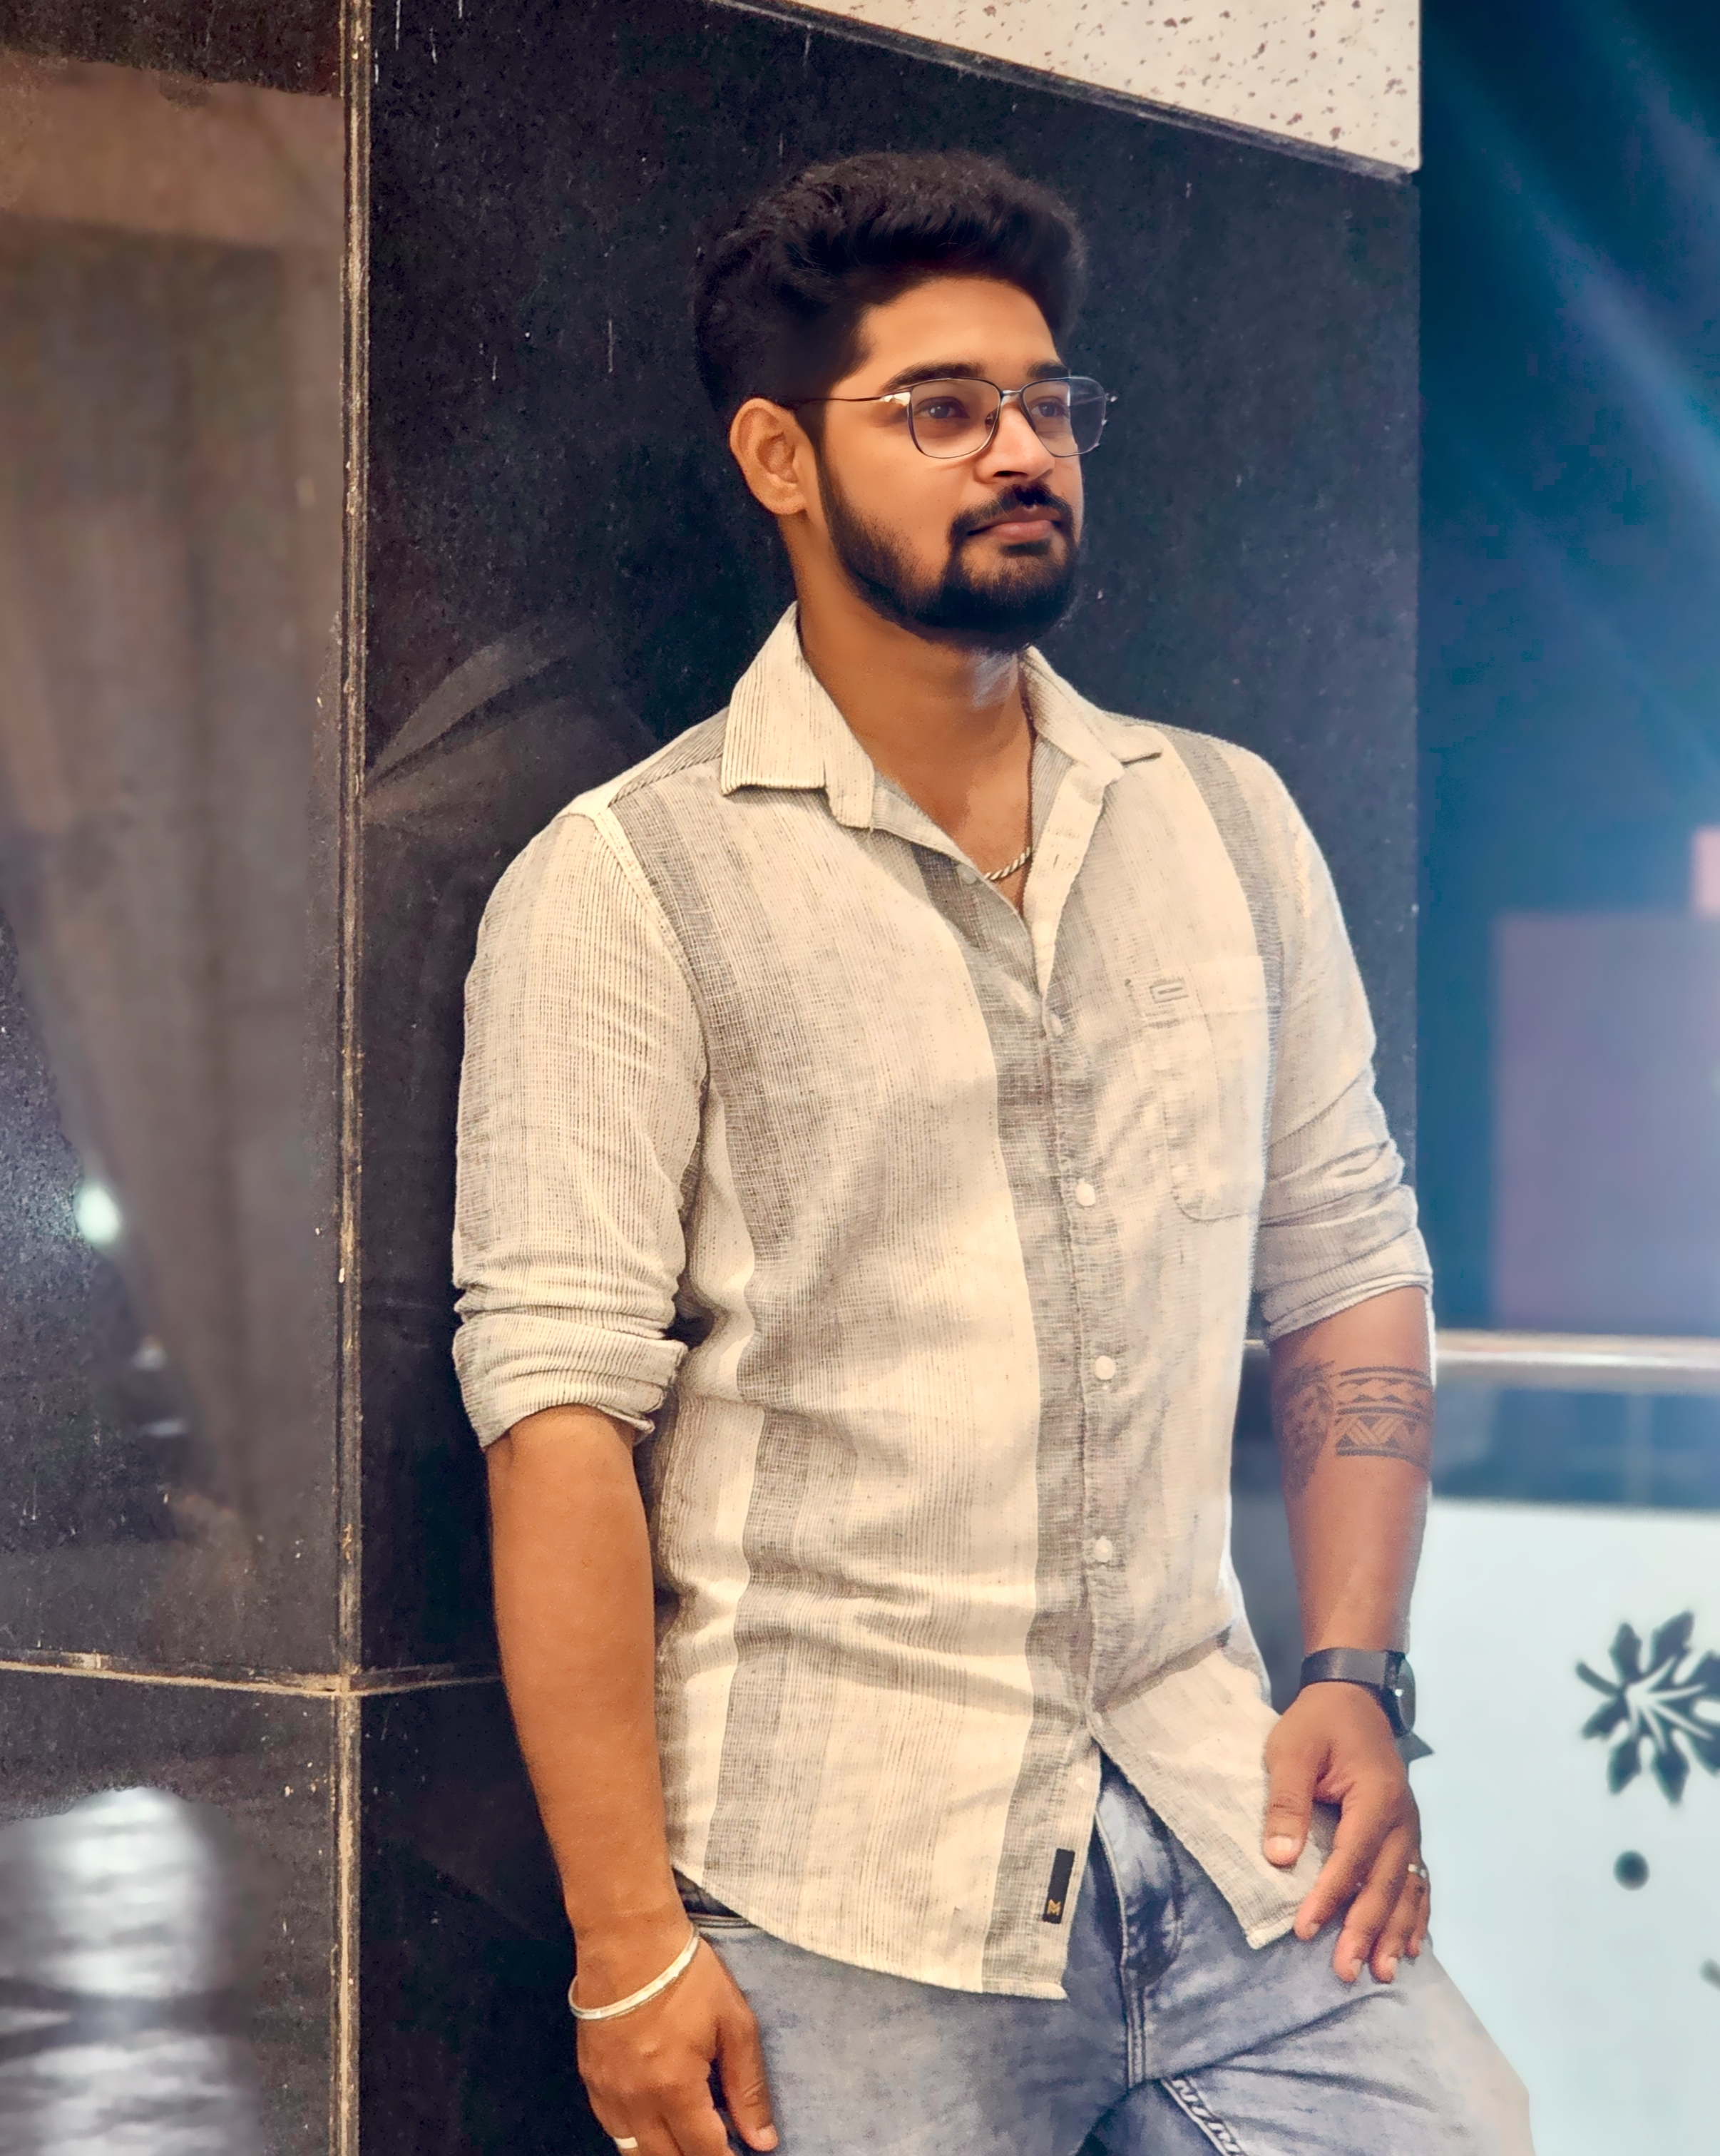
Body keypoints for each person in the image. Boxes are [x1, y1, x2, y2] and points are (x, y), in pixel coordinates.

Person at [453, 152, 1532, 2156]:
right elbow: (559, 1423)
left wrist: (1354, 1671)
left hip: (1222, 1815)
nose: (1021, 449)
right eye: (941, 408)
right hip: (847, 1884)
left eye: (1046, 403)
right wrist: (625, 1946)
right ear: (780, 457)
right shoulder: (627, 884)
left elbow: (1346, 1260)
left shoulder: (1226, 822)